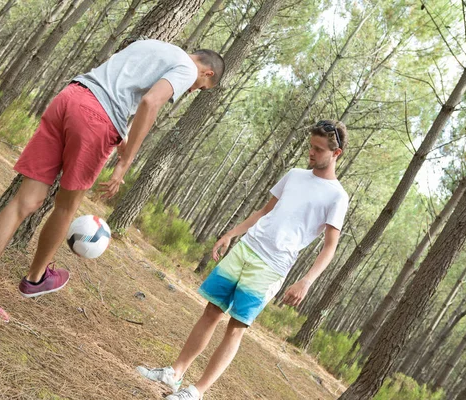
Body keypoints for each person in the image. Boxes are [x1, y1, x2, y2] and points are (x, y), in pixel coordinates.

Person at [0, 40, 225, 322]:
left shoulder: (155, 45)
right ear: (206, 73)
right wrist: (125, 161)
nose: (193, 91)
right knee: (66, 207)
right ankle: (36, 278)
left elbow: (122, 85)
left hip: (70, 96)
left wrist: (123, 131)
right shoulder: (185, 68)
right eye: (200, 88)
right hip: (96, 120)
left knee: (24, 201)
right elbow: (150, 102)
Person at [137, 120, 350, 399]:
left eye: (318, 149)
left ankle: (196, 392)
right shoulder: (295, 175)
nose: (311, 152)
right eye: (310, 146)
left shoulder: (338, 197)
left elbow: (329, 247)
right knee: (212, 311)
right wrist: (231, 234)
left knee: (235, 327)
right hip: (246, 248)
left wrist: (306, 281)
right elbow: (264, 211)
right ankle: (174, 374)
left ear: (336, 154)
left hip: (271, 267)